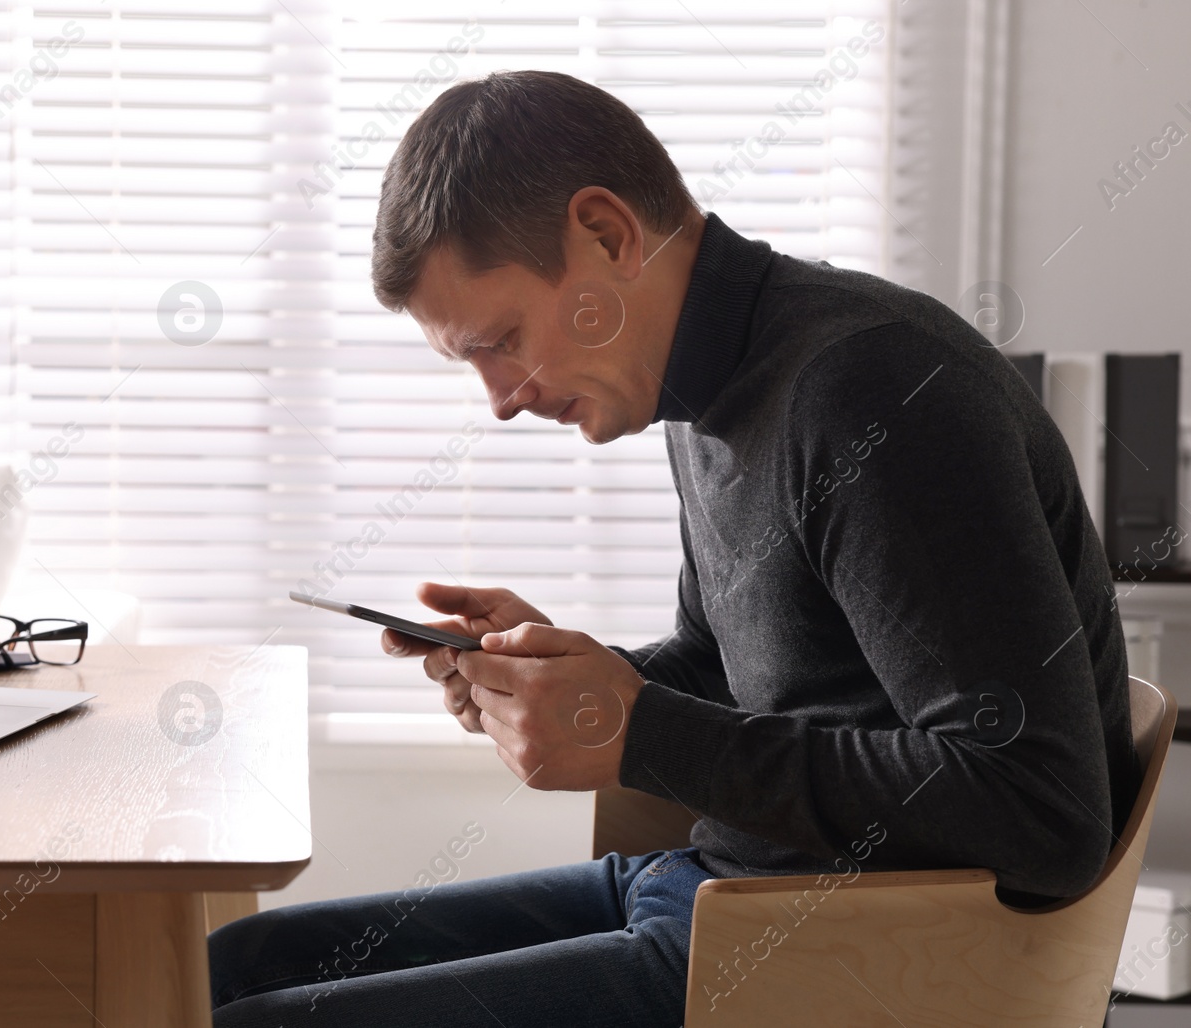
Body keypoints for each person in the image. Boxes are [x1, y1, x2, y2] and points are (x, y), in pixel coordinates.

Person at [207, 69, 1138, 1027]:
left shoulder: (873, 395)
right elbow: (739, 678)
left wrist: (638, 730)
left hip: (833, 961)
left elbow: (1042, 811)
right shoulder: (711, 395)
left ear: (607, 235)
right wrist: (573, 678)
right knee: (232, 966)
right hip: (712, 886)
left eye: (503, 339)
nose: (500, 397)